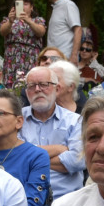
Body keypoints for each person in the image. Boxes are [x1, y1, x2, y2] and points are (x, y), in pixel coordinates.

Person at [20, 65, 85, 198]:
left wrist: (29, 156)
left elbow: (77, 160)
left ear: (57, 89)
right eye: (32, 86)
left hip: (66, 199)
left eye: (44, 84)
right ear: (26, 92)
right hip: (25, 199)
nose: (38, 89)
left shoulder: (76, 121)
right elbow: (14, 155)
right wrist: (58, 149)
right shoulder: (16, 119)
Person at [0, 0, 46, 88]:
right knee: (11, 87)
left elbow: (41, 32)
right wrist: (10, 21)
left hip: (31, 58)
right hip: (12, 59)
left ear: (31, 7)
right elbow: (3, 32)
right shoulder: (8, 20)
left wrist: (28, 21)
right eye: (20, 4)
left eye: (26, 4)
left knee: (31, 84)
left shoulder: (37, 20)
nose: (23, 7)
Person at [46, 0, 82, 64]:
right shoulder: (57, 7)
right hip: (54, 59)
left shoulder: (68, 5)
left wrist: (74, 55)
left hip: (64, 59)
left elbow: (78, 30)